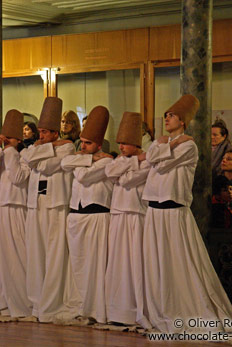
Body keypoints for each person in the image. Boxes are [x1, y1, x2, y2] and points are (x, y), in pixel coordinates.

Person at [141, 94, 232, 333]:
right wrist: (166, 144)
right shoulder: (164, 142)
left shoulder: (189, 145)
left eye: (171, 115)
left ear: (182, 121)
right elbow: (150, 158)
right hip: (154, 209)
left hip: (174, 210)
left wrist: (167, 146)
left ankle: (183, 307)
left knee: (179, 260)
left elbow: (161, 164)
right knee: (156, 260)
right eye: (166, 115)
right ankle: (160, 307)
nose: (167, 119)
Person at [21, 97, 77, 322]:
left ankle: (51, 302)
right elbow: (29, 159)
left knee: (54, 253)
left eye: (45, 132)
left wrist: (41, 153)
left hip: (55, 203)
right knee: (36, 252)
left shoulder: (69, 146)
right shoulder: (42, 147)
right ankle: (36, 301)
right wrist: (44, 151)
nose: (40, 136)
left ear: (55, 133)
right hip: (35, 203)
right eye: (40, 132)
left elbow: (48, 165)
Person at [60, 105, 112, 324]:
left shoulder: (108, 160)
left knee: (95, 265)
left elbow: (84, 177)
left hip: (97, 215)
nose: (82, 146)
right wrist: (90, 158)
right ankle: (80, 303)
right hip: (76, 215)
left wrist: (86, 161)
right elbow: (65, 163)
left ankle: (97, 307)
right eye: (82, 142)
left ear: (98, 144)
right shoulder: (87, 157)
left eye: (88, 143)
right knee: (78, 264)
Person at [104, 111, 150, 327]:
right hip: (117, 214)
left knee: (134, 263)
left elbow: (129, 180)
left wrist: (128, 167)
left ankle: (134, 310)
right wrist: (132, 162)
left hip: (135, 214)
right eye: (119, 143)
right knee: (117, 262)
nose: (121, 147)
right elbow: (111, 173)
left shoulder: (148, 160)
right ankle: (117, 310)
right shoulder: (122, 160)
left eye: (125, 143)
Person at [0, 109, 31, 318]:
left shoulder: (25, 155)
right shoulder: (2, 154)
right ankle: (2, 301)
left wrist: (10, 151)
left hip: (15, 207)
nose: (6, 142)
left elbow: (18, 177)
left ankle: (20, 302)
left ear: (18, 139)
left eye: (9, 139)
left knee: (15, 256)